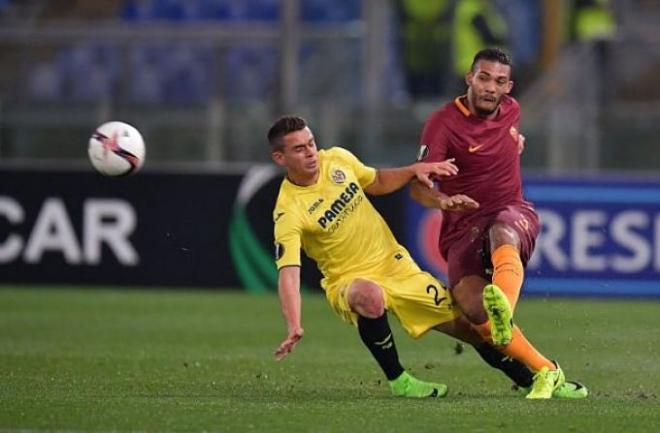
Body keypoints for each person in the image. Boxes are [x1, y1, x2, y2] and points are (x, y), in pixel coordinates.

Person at [268, 115, 551, 399]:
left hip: (396, 266)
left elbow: (376, 180)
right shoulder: (288, 211)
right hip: (348, 279)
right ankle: (399, 380)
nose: (310, 153)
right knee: (369, 296)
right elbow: (289, 272)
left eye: (311, 143)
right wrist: (294, 323)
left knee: (474, 327)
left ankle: (532, 379)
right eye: (299, 149)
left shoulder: (337, 160)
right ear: (280, 157)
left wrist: (415, 169)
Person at [410, 47, 588, 399]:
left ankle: (503, 308)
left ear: (509, 87)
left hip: (511, 211)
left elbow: (508, 138)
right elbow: (419, 188)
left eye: (500, 81)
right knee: (477, 316)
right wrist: (443, 200)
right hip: (462, 228)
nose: (491, 87)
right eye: (484, 78)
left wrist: (515, 143)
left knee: (502, 228)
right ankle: (547, 372)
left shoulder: (512, 110)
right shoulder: (442, 123)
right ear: (469, 79)